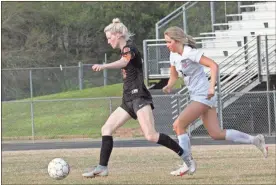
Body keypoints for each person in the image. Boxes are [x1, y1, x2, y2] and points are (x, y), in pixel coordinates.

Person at [82, 19, 190, 178]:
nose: (108, 41)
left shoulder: (129, 47)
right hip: (128, 100)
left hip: (139, 97)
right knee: (106, 129)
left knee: (151, 136)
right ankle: (102, 167)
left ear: (118, 35)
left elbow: (124, 61)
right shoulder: (124, 49)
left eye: (109, 37)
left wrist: (104, 66)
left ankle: (186, 156)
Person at [162, 26, 268, 176]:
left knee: (178, 125)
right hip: (199, 96)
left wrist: (212, 87)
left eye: (168, 42)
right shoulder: (173, 55)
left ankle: (188, 163)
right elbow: (173, 76)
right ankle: (255, 140)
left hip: (204, 95)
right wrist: (169, 86)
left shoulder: (190, 53)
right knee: (216, 133)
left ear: (177, 40)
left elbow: (213, 65)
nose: (166, 45)